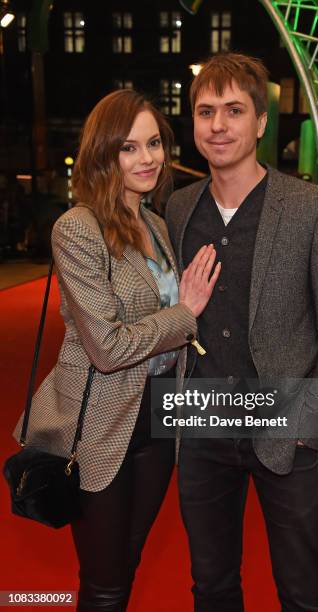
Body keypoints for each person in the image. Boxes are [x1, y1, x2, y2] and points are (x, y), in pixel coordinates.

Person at [165, 53, 318, 611]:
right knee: (211, 587)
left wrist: (307, 424)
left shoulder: (310, 207)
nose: (219, 125)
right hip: (203, 425)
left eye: (234, 110)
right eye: (206, 111)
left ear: (260, 122)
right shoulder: (178, 209)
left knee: (302, 593)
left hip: (287, 428)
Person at [13, 89, 220, 611]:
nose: (147, 158)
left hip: (158, 416)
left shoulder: (156, 223)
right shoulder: (77, 229)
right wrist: (186, 312)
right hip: (104, 422)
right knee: (104, 582)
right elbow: (106, 348)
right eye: (130, 147)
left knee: (125, 563)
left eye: (153, 143)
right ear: (104, 153)